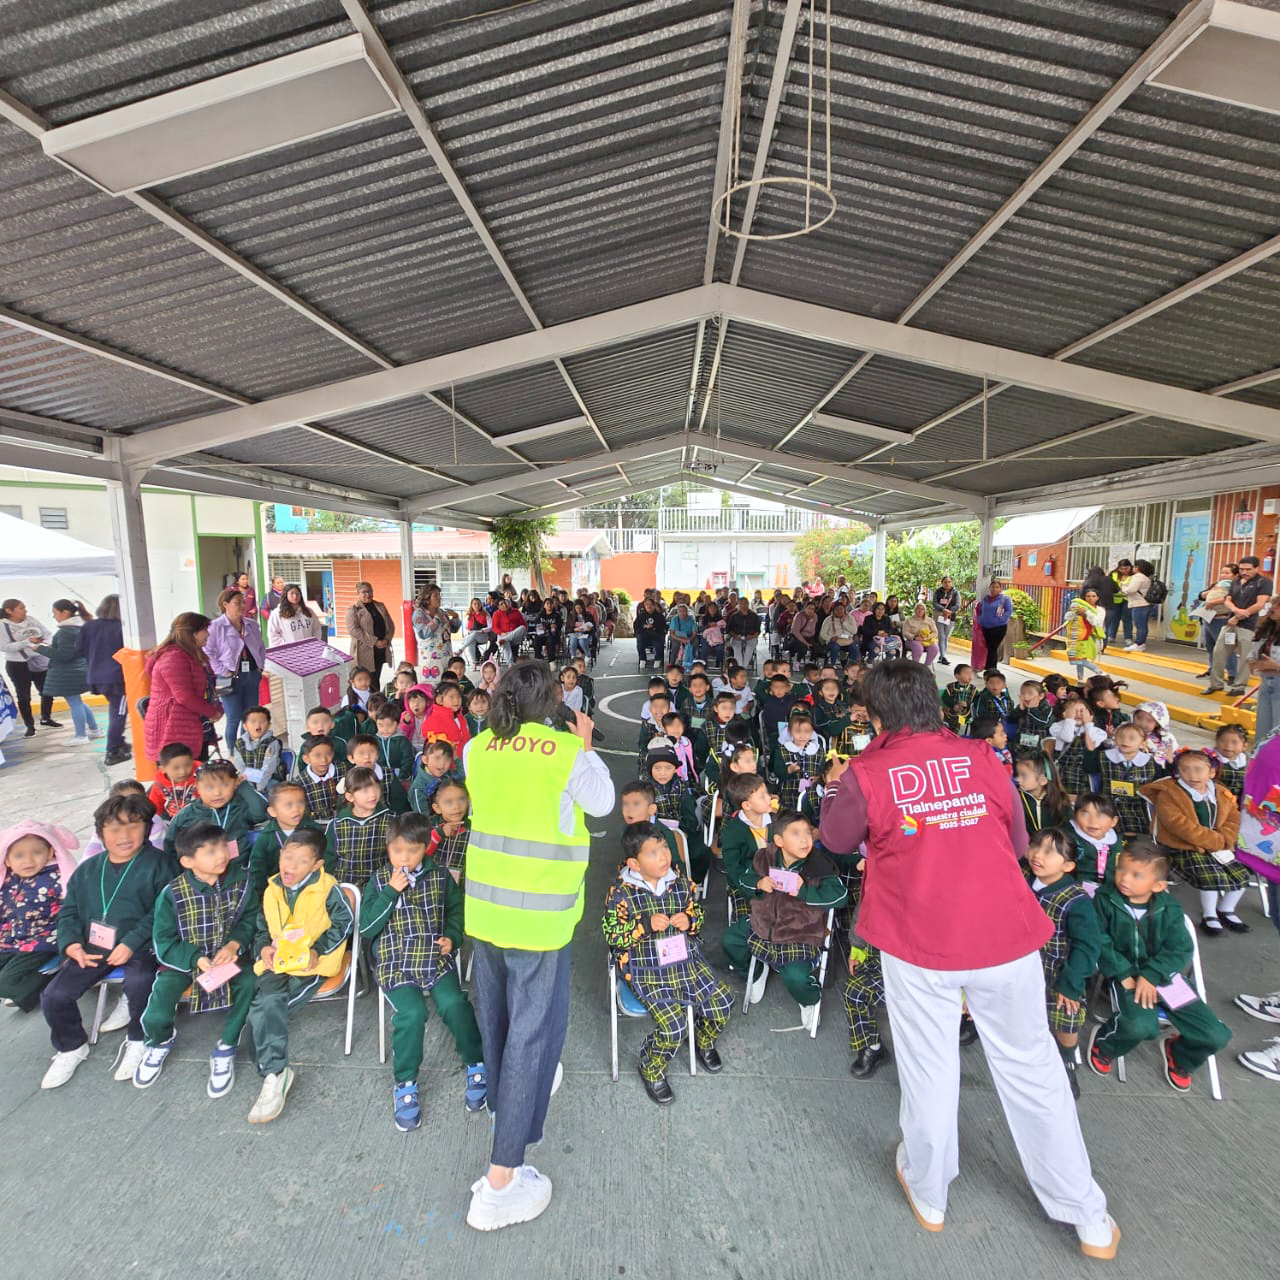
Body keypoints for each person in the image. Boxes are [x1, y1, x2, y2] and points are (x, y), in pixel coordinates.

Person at [819, 660, 1117, 1260]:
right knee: (1032, 1067)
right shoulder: (981, 757)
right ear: (933, 704)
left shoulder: (868, 771)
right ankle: (1086, 1214)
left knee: (929, 1067)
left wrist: (837, 786)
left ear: (875, 713)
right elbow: (1016, 843)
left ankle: (930, 1193)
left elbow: (835, 839)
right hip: (1004, 934)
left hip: (919, 941)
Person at [462, 659, 613, 1232]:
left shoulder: (478, 749)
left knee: (498, 1023)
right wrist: (588, 746)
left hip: (486, 910)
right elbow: (602, 804)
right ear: (552, 700)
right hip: (541, 916)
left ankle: (513, 1102)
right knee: (532, 1032)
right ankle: (502, 1178)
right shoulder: (566, 753)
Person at [360, 811, 487, 1130]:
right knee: (412, 1013)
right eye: (397, 851)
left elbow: (456, 912)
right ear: (388, 848)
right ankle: (405, 1083)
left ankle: (476, 1063)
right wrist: (391, 892)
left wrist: (452, 937)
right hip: (395, 961)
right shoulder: (379, 880)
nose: (404, 858)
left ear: (424, 848)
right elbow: (368, 929)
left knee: (454, 1003)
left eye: (413, 851)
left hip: (432, 954)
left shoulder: (440, 876)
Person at [39, 791, 170, 1090]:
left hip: (143, 946)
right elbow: (69, 911)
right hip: (93, 947)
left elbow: (163, 911)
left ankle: (139, 1039)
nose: (124, 836)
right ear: (100, 833)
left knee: (140, 983)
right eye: (114, 829)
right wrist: (71, 944)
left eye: (134, 826)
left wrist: (131, 942)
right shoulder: (88, 869)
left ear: (147, 828)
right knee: (54, 995)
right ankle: (71, 1047)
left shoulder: (160, 864)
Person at [602, 821, 732, 1104]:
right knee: (674, 1027)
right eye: (653, 853)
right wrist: (644, 925)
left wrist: (690, 920)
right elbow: (612, 935)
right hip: (645, 968)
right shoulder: (621, 893)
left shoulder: (680, 882)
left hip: (684, 961)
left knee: (723, 1003)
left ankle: (702, 1040)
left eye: (664, 848)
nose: (663, 856)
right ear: (634, 864)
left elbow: (697, 915)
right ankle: (651, 1067)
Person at [1087, 840, 1231, 1094]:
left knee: (1215, 1035)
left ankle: (1180, 1054)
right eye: (1121, 869)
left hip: (1166, 978)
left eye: (1136, 875)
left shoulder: (1170, 909)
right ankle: (1106, 1044)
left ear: (1158, 886)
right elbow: (1099, 940)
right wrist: (1124, 974)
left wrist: (1152, 976)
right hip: (1126, 974)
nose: (1124, 878)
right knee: (1142, 1026)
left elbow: (1180, 949)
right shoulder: (1105, 899)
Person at [133, 823, 256, 1095]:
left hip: (226, 958)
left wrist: (234, 943)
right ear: (188, 862)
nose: (221, 855)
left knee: (249, 983)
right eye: (210, 851)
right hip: (183, 961)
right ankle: (159, 1041)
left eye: (222, 846)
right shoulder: (172, 893)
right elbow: (163, 941)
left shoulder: (243, 880)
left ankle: (226, 1045)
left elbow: (250, 918)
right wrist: (195, 958)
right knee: (160, 1002)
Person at [245, 828, 353, 1124]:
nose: (290, 866)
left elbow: (344, 923)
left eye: (301, 861)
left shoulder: (328, 888)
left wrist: (318, 949)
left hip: (311, 965)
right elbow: (262, 927)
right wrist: (263, 948)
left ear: (317, 865)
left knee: (265, 1009)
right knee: (263, 1006)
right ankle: (273, 1070)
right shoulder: (272, 889)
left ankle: (274, 1074)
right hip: (278, 962)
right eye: (287, 857)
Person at [721, 809, 846, 1032]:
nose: (805, 840)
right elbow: (745, 881)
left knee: (795, 977)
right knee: (730, 939)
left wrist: (805, 891)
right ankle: (757, 973)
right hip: (762, 924)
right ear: (778, 841)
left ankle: (810, 1000)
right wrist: (758, 884)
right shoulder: (764, 857)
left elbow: (840, 897)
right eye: (795, 834)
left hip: (800, 932)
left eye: (807, 832)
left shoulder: (819, 865)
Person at [1023, 827, 1102, 1099]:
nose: (1038, 855)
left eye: (1049, 852)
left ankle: (1066, 1060)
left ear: (1067, 866)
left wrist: (1070, 983)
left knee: (1066, 1017)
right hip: (1021, 967)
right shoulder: (1020, 880)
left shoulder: (1076, 900)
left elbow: (1087, 946)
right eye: (1035, 846)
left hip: (1057, 973)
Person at [1141, 750, 1247, 937]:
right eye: (1185, 769)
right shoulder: (1169, 793)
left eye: (1199, 770)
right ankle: (1209, 915)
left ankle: (1226, 909)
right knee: (1211, 876)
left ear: (1211, 772)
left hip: (1217, 844)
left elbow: (1233, 818)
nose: (1192, 775)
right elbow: (1179, 825)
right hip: (1183, 846)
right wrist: (1214, 840)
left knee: (1241, 874)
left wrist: (1225, 838)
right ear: (1177, 772)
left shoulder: (1221, 792)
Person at [0, 820, 79, 1012]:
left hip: (43, 940)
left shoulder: (58, 878)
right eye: (19, 855)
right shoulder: (7, 879)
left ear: (50, 852)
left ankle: (51, 978)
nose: (28, 860)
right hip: (10, 940)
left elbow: (75, 910)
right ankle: (22, 989)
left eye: (36, 852)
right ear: (7, 860)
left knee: (5, 983)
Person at [204, 588, 266, 751]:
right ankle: (232, 752)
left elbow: (261, 647)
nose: (242, 606)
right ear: (225, 605)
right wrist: (222, 670)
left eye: (243, 602)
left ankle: (247, 750)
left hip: (252, 673)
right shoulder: (215, 626)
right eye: (238, 603)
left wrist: (260, 666)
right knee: (233, 717)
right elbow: (208, 652)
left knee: (251, 716)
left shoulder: (251, 625)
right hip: (227, 676)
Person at [35, 600, 100, 743]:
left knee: (75, 703)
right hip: (77, 670)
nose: (54, 616)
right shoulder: (78, 627)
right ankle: (94, 729)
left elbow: (64, 655)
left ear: (64, 613)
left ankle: (81, 735)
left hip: (69, 674)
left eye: (55, 613)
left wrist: (39, 648)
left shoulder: (66, 631)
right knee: (78, 702)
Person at [1206, 555, 1272, 695]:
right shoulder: (1236, 581)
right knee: (1219, 652)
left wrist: (1239, 616)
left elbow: (1260, 604)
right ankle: (1216, 684)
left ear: (1256, 568)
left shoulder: (1263, 582)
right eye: (1242, 569)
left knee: (1245, 657)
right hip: (1231, 623)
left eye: (1248, 569)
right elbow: (1228, 599)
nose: (1244, 572)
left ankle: (1239, 687)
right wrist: (1235, 610)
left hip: (1249, 625)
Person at [77, 594, 129, 765]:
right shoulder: (122, 628)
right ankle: (113, 751)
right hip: (118, 678)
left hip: (96, 676)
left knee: (116, 710)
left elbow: (79, 649)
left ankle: (118, 742)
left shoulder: (89, 626)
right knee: (118, 713)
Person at [0, 598, 58, 735]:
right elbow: (4, 646)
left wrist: (44, 643)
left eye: (24, 607)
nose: (25, 610)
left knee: (47, 690)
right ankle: (30, 726)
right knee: (24, 695)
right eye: (21, 608)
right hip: (17, 664)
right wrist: (26, 642)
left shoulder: (31, 620)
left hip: (39, 659)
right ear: (9, 611)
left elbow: (47, 634)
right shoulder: (3, 625)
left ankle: (46, 717)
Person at [346, 582, 396, 689]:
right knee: (367, 681)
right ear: (358, 593)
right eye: (364, 592)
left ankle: (376, 697)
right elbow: (353, 630)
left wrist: (387, 640)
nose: (367, 594)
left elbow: (390, 625)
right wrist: (375, 642)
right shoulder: (353, 610)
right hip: (364, 651)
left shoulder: (380, 606)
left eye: (369, 591)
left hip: (381, 649)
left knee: (376, 678)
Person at [1246, 595, 1280, 741]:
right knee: (1263, 732)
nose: (1273, 608)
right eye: (1272, 604)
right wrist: (1252, 661)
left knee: (1277, 734)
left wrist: (1277, 667)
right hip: (1266, 684)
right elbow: (1254, 650)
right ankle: (1260, 755)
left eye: (1278, 606)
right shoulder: (1267, 630)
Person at [231, 705, 284, 796]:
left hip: (269, 779)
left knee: (275, 790)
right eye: (253, 721)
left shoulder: (272, 742)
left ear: (269, 725)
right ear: (245, 726)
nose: (257, 725)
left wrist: (258, 788)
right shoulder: (240, 743)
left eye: (262, 721)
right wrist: (250, 784)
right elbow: (240, 766)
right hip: (247, 779)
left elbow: (268, 768)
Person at [412, 585, 455, 685]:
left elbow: (453, 629)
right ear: (427, 598)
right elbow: (423, 634)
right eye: (435, 595)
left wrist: (455, 617)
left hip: (446, 656)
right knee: (432, 687)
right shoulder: (419, 614)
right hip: (430, 660)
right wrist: (436, 619)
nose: (439, 598)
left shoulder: (441, 612)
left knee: (448, 686)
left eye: (439, 595)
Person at [1064, 587, 1105, 682]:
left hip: (1091, 637)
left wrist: (1086, 613)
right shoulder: (1078, 606)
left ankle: (1099, 672)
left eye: (1093, 596)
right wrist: (1076, 613)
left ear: (1097, 598)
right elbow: (1067, 617)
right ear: (1084, 597)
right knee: (1078, 658)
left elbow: (1097, 622)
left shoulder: (1100, 610)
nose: (1091, 598)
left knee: (1081, 659)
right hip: (1078, 637)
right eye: (1088, 596)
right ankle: (1080, 679)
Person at [975, 579, 1013, 665]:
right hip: (985, 627)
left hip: (998, 628)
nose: (994, 589)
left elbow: (1009, 611)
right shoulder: (986, 599)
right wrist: (980, 619)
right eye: (992, 587)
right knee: (988, 647)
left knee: (992, 647)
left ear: (1000, 589)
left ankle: (991, 667)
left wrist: (1001, 620)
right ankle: (988, 666)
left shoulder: (1005, 599)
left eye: (997, 587)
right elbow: (981, 610)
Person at [1120, 558, 1154, 652]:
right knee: (1143, 625)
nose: (1133, 568)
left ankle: (1139, 643)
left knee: (1140, 625)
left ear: (1138, 568)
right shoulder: (1146, 577)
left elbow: (1131, 590)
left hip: (1139, 604)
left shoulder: (1138, 577)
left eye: (1134, 567)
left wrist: (1123, 587)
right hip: (1145, 603)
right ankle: (1141, 643)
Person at [457, 597, 495, 667]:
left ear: (481, 605)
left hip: (483, 636)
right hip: (471, 636)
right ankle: (474, 663)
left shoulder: (485, 614)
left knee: (474, 633)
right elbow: (465, 627)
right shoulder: (469, 615)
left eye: (478, 604)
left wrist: (483, 630)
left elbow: (490, 626)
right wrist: (468, 631)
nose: (477, 606)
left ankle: (461, 649)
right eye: (475, 604)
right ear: (471, 605)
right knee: (471, 642)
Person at [726, 597, 761, 672]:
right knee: (737, 648)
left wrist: (752, 636)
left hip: (751, 637)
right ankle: (741, 668)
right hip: (737, 637)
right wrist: (735, 636)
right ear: (738, 605)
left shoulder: (754, 616)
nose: (743, 605)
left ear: (748, 604)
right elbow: (729, 630)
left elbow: (758, 631)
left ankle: (742, 668)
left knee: (749, 648)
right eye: (741, 603)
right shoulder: (734, 616)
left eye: (745, 603)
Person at [820, 601, 859, 667]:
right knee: (835, 647)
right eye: (837, 609)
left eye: (841, 609)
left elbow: (854, 631)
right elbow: (822, 634)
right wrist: (830, 638)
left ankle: (851, 665)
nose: (839, 611)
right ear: (833, 611)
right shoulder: (828, 619)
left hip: (847, 641)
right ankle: (832, 664)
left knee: (854, 647)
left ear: (844, 610)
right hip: (834, 641)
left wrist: (844, 623)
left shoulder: (850, 618)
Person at [490, 596, 527, 664]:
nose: (504, 605)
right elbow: (494, 627)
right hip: (503, 634)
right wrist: (501, 633)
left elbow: (523, 624)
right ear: (498, 607)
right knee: (505, 642)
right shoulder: (496, 614)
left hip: (515, 635)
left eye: (505, 602)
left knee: (523, 628)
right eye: (501, 604)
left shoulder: (516, 611)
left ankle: (505, 639)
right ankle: (510, 664)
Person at [932, 576, 959, 666]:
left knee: (946, 636)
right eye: (945, 582)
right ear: (942, 583)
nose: (947, 584)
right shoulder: (938, 591)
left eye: (949, 582)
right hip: (940, 615)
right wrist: (943, 609)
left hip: (950, 617)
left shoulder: (955, 593)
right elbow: (935, 603)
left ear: (952, 582)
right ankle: (943, 656)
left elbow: (957, 605)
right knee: (941, 636)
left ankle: (942, 655)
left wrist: (949, 611)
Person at [901, 603, 939, 669]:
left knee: (934, 647)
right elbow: (905, 632)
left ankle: (926, 667)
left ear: (925, 611)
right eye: (918, 609)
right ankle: (915, 667)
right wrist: (915, 637)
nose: (920, 611)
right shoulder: (909, 620)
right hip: (912, 641)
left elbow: (935, 632)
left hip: (927, 640)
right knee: (918, 647)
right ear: (915, 610)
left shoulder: (930, 620)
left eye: (922, 609)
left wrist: (927, 637)